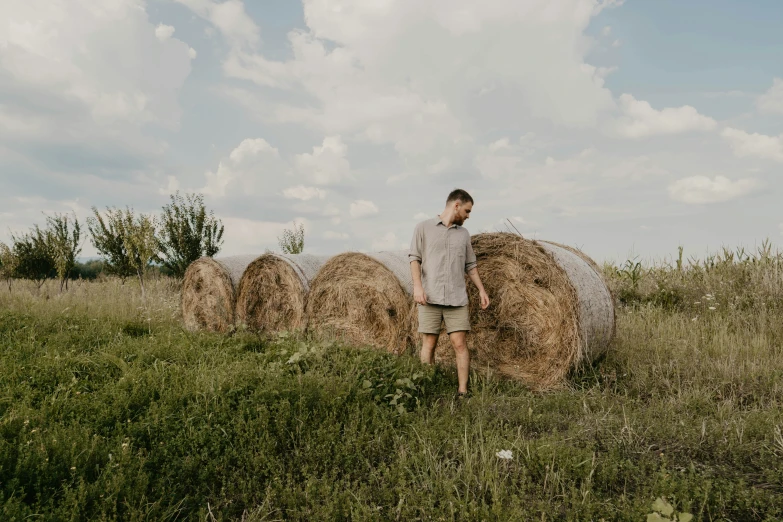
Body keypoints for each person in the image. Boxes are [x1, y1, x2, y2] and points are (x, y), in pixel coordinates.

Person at [408, 188, 490, 397]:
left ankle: (463, 391)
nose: (468, 216)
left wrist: (481, 290)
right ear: (456, 205)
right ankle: (427, 388)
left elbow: (470, 265)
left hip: (456, 298)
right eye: (467, 211)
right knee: (429, 344)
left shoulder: (463, 235)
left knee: (460, 344)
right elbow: (414, 258)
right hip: (430, 297)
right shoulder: (423, 228)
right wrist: (417, 287)